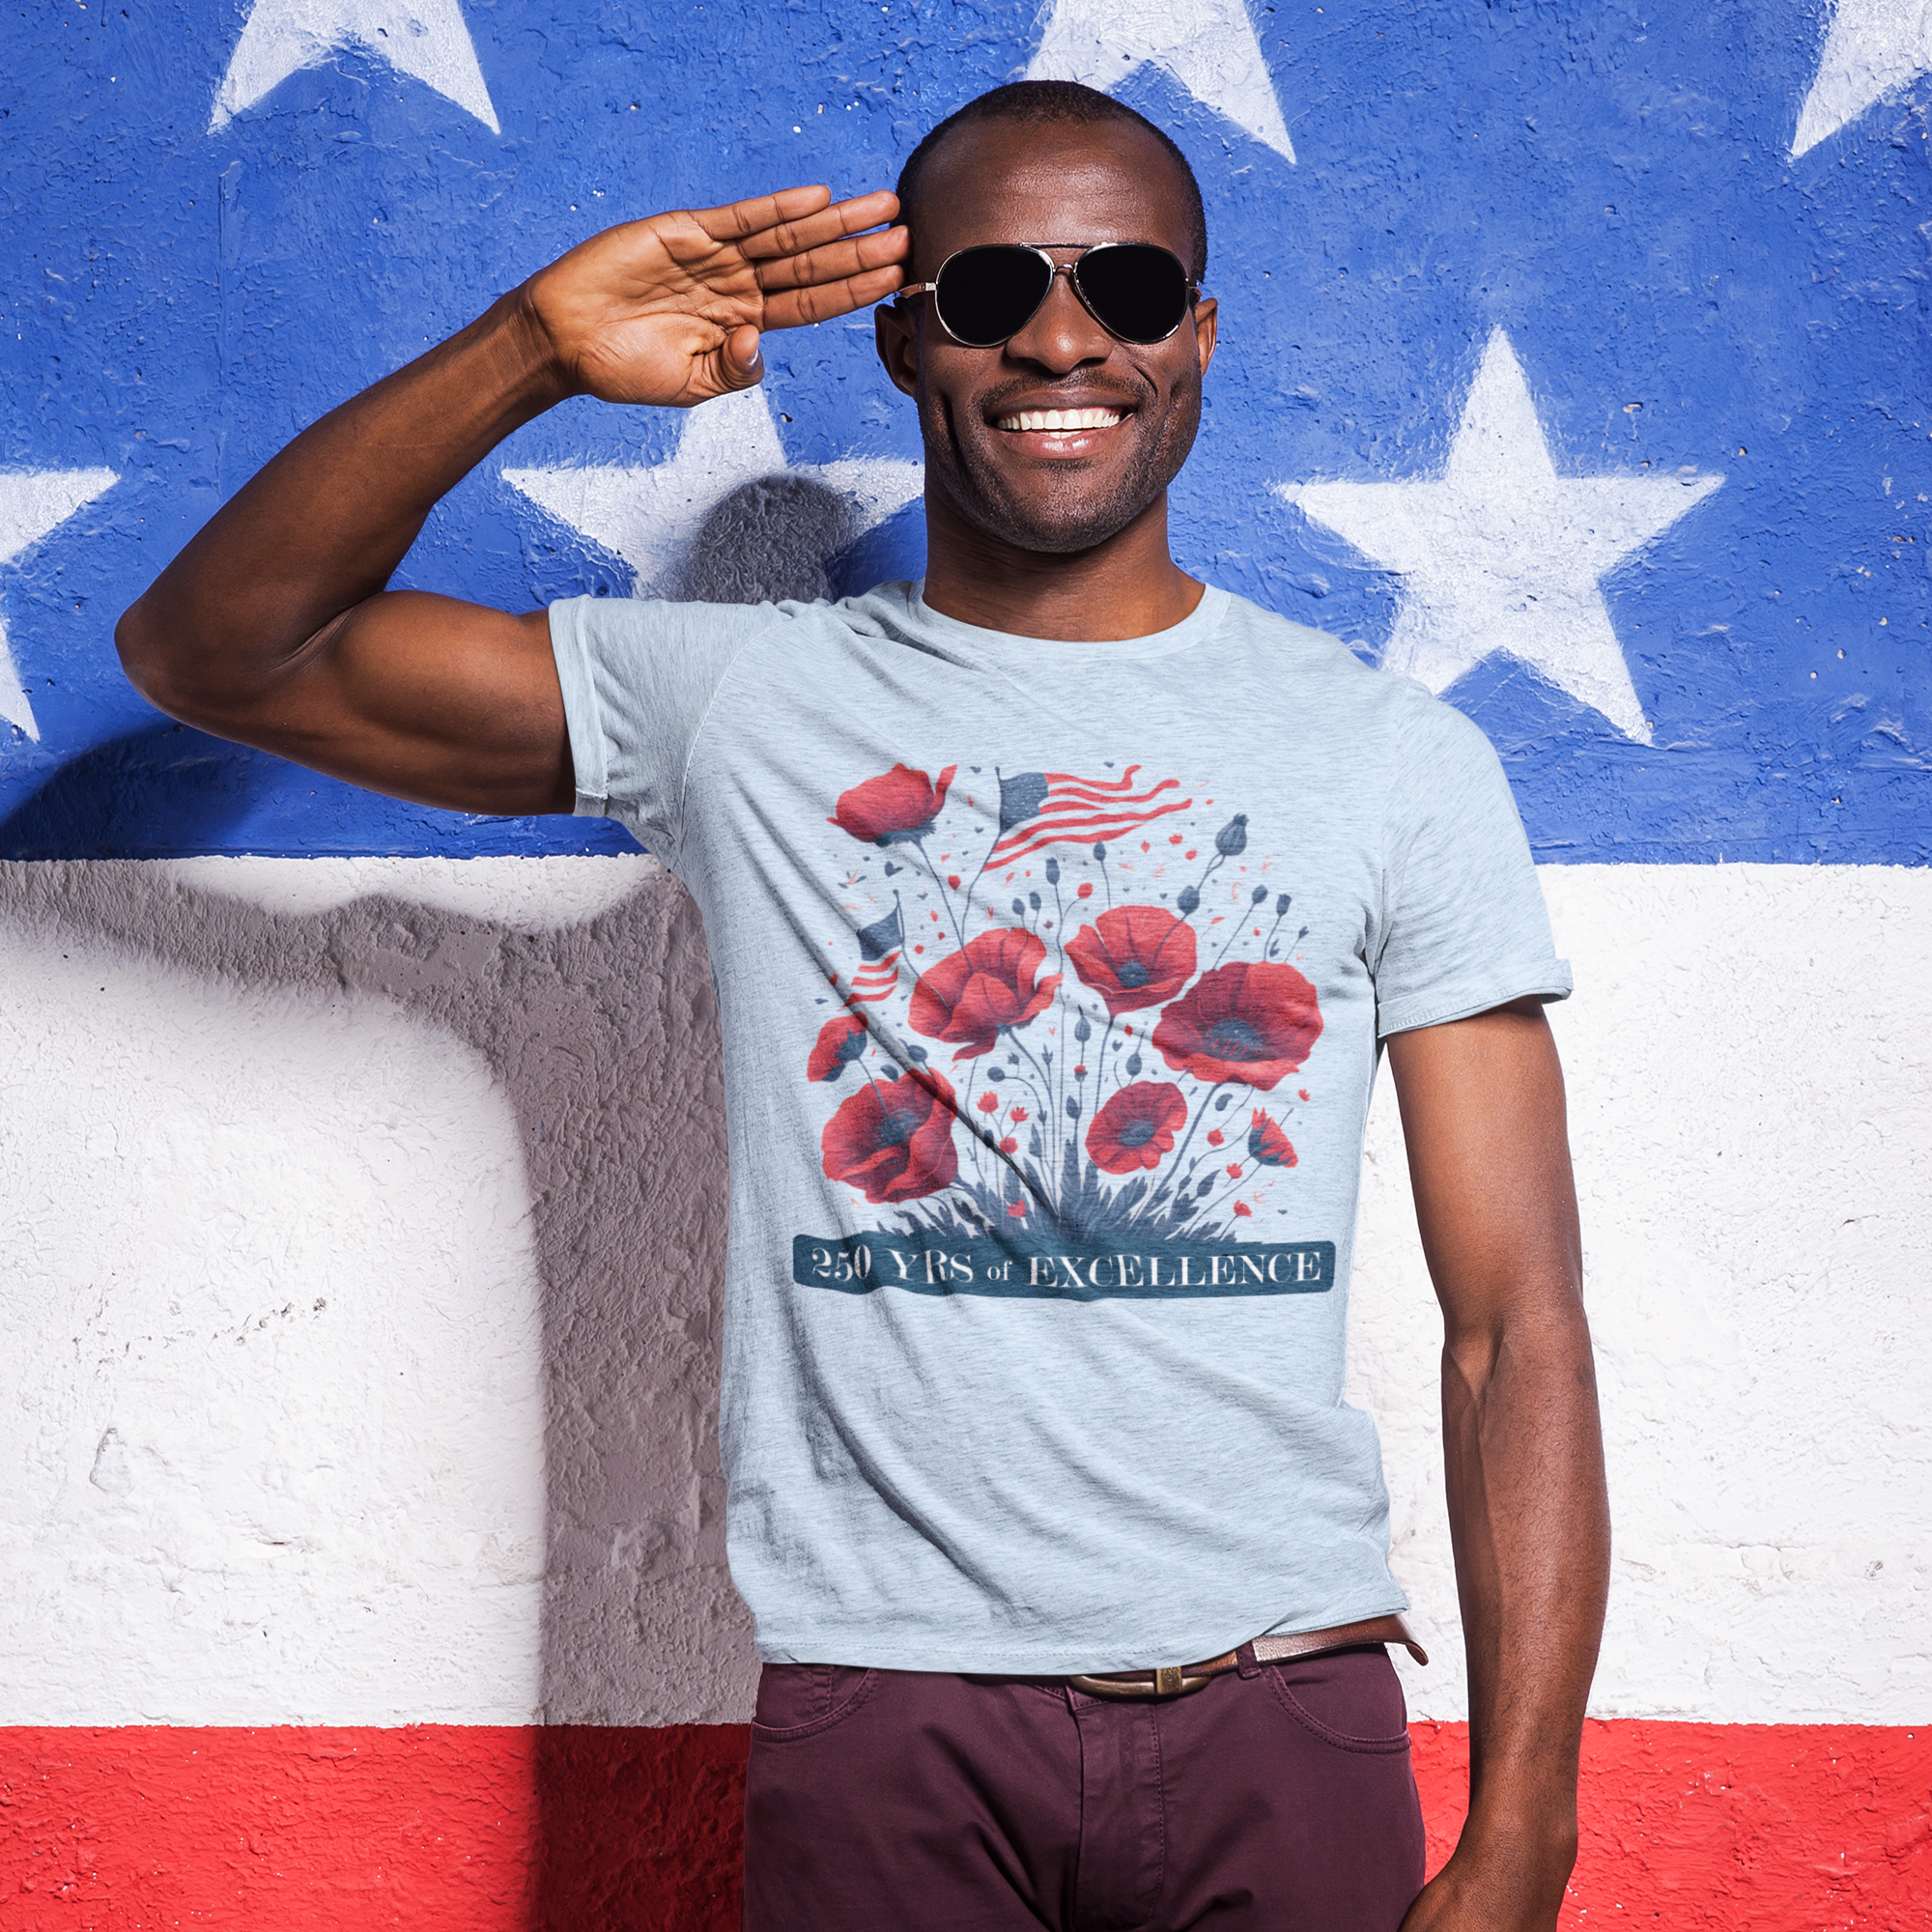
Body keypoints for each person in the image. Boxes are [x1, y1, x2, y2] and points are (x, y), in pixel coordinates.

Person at [117, 79, 1609, 1932]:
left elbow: (1515, 1327)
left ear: (1197, 337)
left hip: (1279, 1701)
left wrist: (1529, 1816)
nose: (1063, 335)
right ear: (908, 342)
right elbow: (213, 650)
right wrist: (527, 352)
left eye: (1129, 286)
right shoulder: (742, 703)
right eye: (992, 288)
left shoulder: (1396, 759)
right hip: (885, 1711)